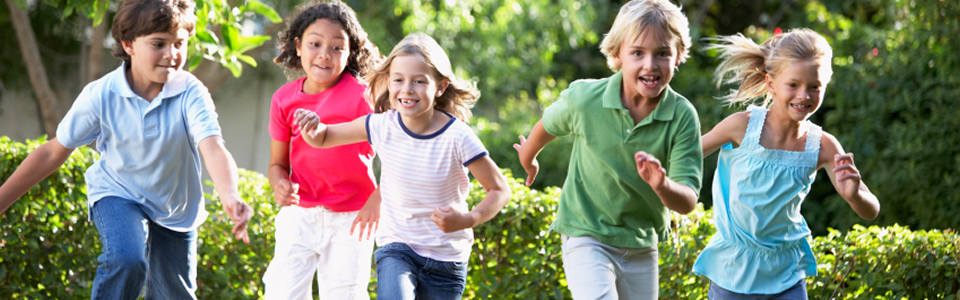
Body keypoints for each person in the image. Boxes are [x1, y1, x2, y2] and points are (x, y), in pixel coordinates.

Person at [0, 0, 252, 298]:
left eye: (180, 44)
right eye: (159, 43)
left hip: (175, 210)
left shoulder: (190, 92)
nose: (172, 54)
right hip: (119, 194)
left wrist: (230, 194)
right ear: (128, 44)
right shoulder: (101, 94)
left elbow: (212, 147)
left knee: (175, 293)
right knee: (127, 258)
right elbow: (52, 152)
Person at [294, 32, 510, 300]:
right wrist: (311, 127)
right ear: (388, 82)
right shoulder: (383, 125)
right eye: (399, 80)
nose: (407, 89)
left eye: (419, 81)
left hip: (447, 260)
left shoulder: (458, 137)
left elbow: (499, 190)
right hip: (398, 248)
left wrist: (467, 220)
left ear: (440, 87)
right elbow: (324, 136)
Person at [513, 0, 702, 298]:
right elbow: (546, 127)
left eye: (662, 53)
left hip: (642, 244)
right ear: (617, 55)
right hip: (586, 233)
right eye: (638, 52)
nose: (650, 64)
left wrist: (662, 184)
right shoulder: (586, 99)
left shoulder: (682, 116)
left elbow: (687, 200)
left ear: (677, 56)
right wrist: (529, 158)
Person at [692, 28, 880, 299]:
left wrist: (855, 195)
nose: (804, 95)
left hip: (786, 278)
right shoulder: (741, 127)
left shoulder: (824, 145)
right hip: (732, 273)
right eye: (793, 85)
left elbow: (870, 210)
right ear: (770, 83)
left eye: (814, 87)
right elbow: (688, 155)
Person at [261, 1, 383, 298]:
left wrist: (377, 200)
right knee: (281, 292)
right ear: (299, 46)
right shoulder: (283, 99)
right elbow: (277, 164)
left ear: (350, 52)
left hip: (352, 216)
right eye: (315, 43)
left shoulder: (362, 97)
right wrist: (280, 185)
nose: (325, 55)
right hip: (300, 215)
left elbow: (397, 155)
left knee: (345, 294)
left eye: (337, 47)